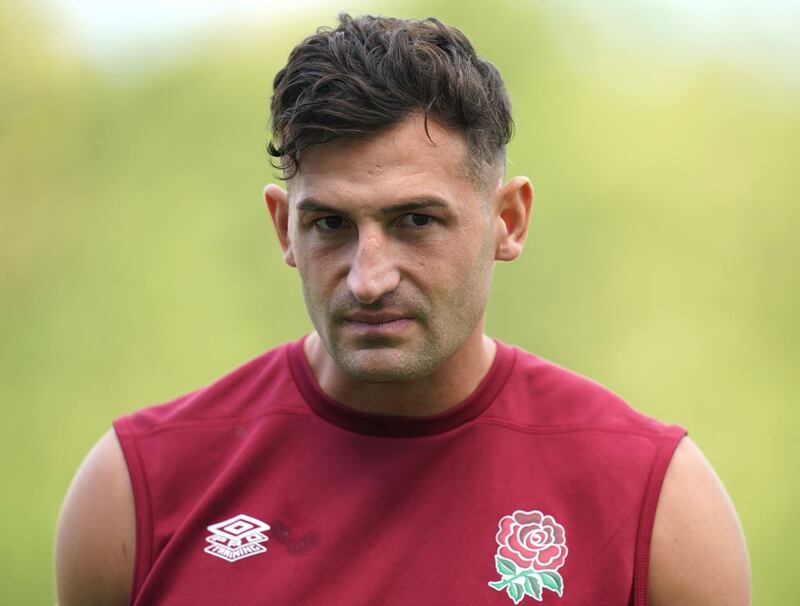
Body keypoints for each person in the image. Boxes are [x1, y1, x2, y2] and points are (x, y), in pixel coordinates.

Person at [55, 13, 750, 606]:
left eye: (416, 220)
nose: (368, 279)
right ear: (282, 230)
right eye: (330, 224)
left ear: (508, 220)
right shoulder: (134, 494)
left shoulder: (657, 506)